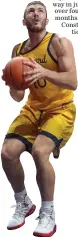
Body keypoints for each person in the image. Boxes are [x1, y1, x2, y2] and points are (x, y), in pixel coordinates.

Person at [1, 1, 77, 236]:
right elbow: (18, 97)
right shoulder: (18, 51)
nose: (35, 13)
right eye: (30, 11)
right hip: (33, 110)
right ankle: (24, 202)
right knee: (7, 152)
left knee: (39, 151)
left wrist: (44, 72)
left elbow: (73, 81)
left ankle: (48, 213)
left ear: (46, 20)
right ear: (24, 21)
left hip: (60, 109)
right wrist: (13, 83)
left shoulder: (58, 42)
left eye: (40, 10)